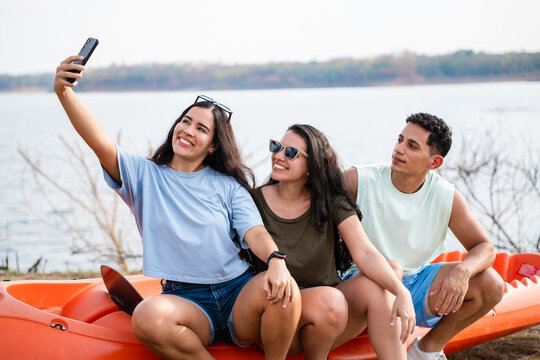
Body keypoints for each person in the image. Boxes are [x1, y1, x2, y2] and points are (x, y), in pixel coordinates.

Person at [54, 55, 301, 360]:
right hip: (186, 299)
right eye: (185, 121)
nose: (187, 130)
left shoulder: (228, 185)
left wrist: (276, 260)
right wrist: (64, 93)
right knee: (146, 317)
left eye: (201, 128)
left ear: (212, 145)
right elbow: (98, 141)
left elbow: (254, 232)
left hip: (238, 291)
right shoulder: (143, 175)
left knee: (286, 291)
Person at [343, 113, 506, 360]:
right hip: (363, 282)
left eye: (411, 146)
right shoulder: (358, 180)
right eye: (400, 140)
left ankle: (425, 351)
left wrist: (463, 272)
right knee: (391, 269)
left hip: (416, 282)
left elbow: (484, 247)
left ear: (434, 163)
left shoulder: (445, 196)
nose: (398, 149)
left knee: (491, 284)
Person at [252, 124, 415, 360]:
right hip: (277, 317)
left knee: (382, 287)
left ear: (312, 166)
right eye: (277, 147)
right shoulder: (254, 201)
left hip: (330, 315)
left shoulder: (331, 201)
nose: (278, 156)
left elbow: (365, 252)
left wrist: (402, 293)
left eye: (290, 153)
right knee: (329, 300)